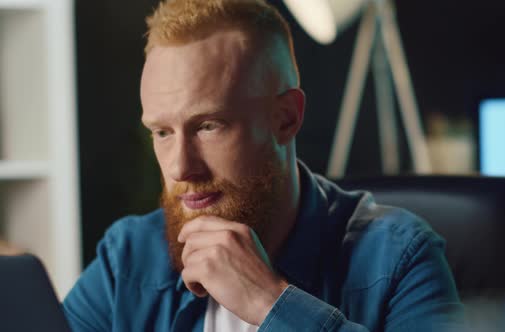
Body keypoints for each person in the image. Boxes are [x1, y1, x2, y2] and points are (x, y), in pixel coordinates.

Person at [63, 0, 464, 330]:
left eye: (208, 126)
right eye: (162, 133)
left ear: (286, 118)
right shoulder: (128, 257)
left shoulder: (399, 257)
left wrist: (269, 301)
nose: (181, 168)